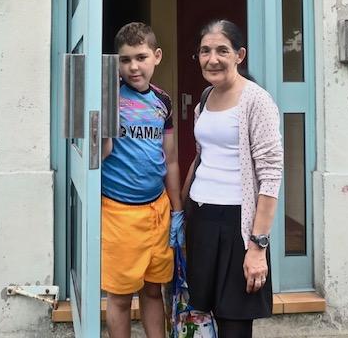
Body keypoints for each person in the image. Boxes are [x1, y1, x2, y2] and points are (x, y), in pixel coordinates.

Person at [181, 19, 284, 338]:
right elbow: (201, 157)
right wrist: (180, 213)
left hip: (237, 226)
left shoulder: (257, 100)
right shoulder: (205, 98)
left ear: (239, 55)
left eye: (222, 51)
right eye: (205, 51)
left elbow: (271, 176)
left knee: (234, 324)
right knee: (200, 319)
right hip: (201, 219)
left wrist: (258, 246)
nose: (212, 59)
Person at [101, 22, 184, 338]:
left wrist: (177, 210)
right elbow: (98, 152)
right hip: (119, 212)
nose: (133, 67)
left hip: (157, 212)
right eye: (125, 60)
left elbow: (171, 159)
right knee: (120, 298)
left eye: (141, 57)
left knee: (153, 290)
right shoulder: (109, 96)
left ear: (157, 56)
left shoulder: (163, 101)